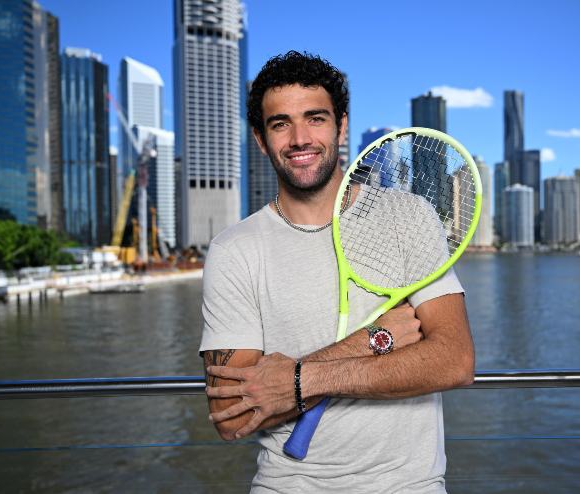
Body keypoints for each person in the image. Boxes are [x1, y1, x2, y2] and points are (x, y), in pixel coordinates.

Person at [200, 51, 475, 493]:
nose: (300, 138)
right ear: (259, 138)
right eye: (280, 124)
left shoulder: (409, 215)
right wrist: (372, 341)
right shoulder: (234, 250)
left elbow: (455, 361)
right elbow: (232, 417)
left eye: (315, 119)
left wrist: (295, 381)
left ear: (341, 126)